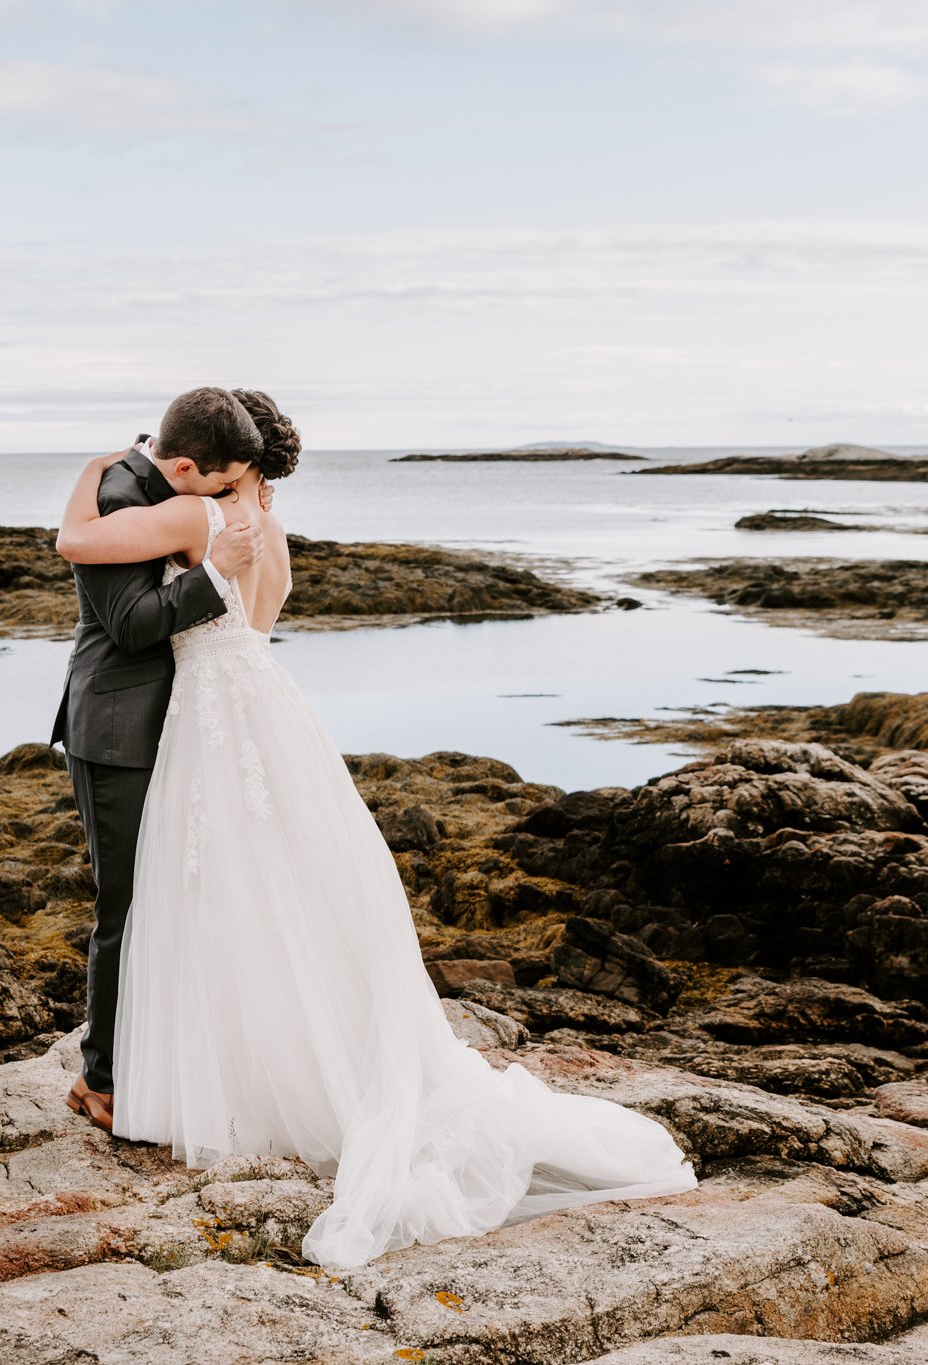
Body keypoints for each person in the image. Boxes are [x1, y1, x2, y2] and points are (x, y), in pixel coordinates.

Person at [53, 388, 698, 1269]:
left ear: (224, 466)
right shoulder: (264, 530)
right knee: (265, 892)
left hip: (203, 721)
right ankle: (226, 1063)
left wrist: (96, 479)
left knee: (183, 897)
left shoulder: (196, 516)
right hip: (257, 711)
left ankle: (135, 1078)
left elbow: (82, 547)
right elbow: (259, 623)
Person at [50, 386, 267, 1133]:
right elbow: (133, 625)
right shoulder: (118, 494)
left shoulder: (162, 488)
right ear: (182, 467)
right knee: (126, 907)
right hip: (116, 731)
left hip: (168, 726)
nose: (224, 496)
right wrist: (214, 574)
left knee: (166, 901)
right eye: (219, 482)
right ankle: (101, 1080)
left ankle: (148, 1060)